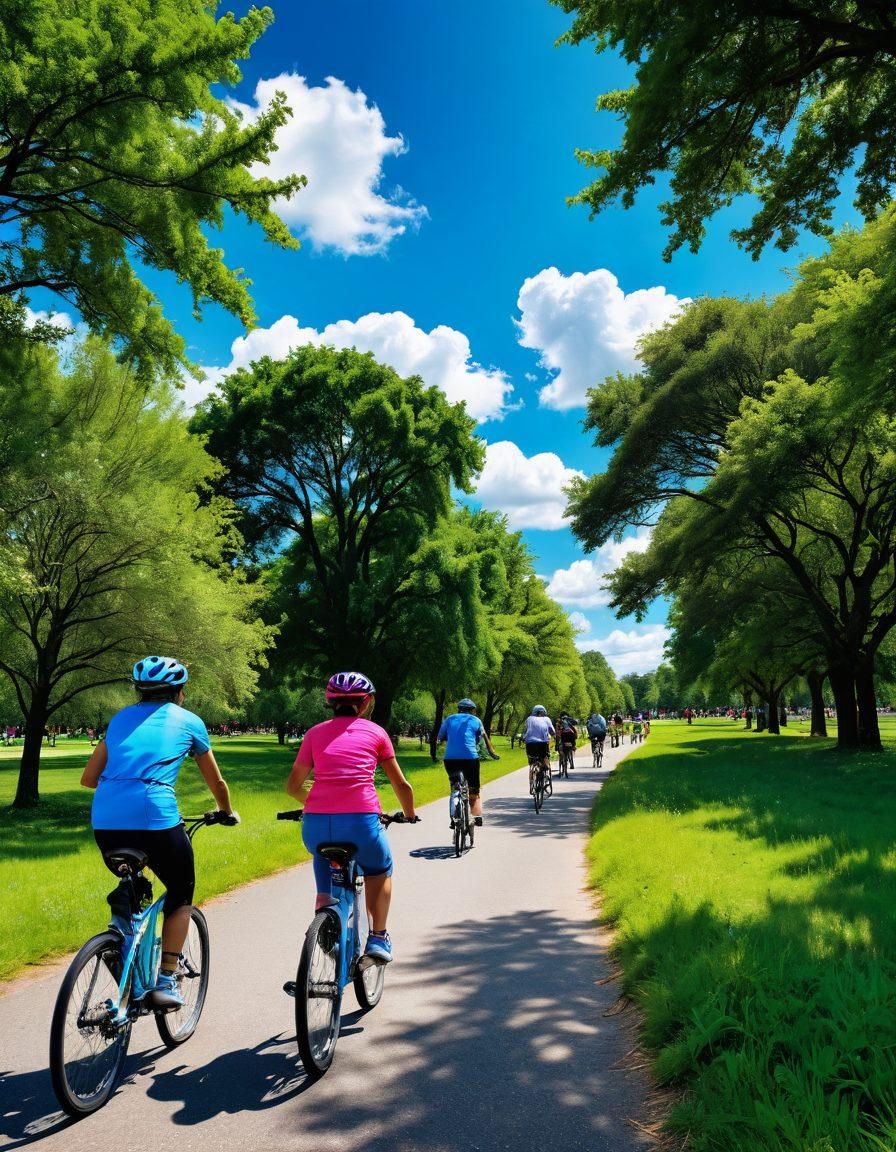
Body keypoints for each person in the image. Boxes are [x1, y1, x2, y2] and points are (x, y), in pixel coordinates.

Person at [81, 656, 238, 1009]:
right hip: (155, 815)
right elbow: (217, 782)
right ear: (180, 692)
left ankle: (122, 935)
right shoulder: (189, 721)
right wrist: (227, 812)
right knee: (180, 891)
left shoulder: (119, 719)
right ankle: (167, 979)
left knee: (133, 881)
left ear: (139, 691)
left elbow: (89, 779)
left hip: (105, 820)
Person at [285, 671, 417, 966]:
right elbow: (401, 785)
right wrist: (409, 814)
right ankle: (378, 937)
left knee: (322, 852)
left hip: (315, 825)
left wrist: (315, 803)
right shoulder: (376, 733)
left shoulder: (314, 733)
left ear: (330, 701)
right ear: (366, 702)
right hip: (361, 824)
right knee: (380, 868)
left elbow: (293, 785)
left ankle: (324, 907)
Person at [438, 698, 498, 827]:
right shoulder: (476, 720)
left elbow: (440, 736)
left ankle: (454, 816)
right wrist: (491, 752)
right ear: (473, 710)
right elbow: (480, 737)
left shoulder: (449, 719)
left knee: (454, 785)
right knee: (474, 789)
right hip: (470, 759)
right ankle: (476, 816)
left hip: (450, 760)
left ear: (459, 709)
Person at [522, 705, 555, 771]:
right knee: (545, 756)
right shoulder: (547, 719)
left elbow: (525, 730)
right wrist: (555, 736)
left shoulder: (529, 719)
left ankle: (532, 766)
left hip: (530, 743)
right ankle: (545, 768)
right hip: (543, 743)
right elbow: (551, 730)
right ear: (544, 712)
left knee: (531, 757)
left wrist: (523, 737)